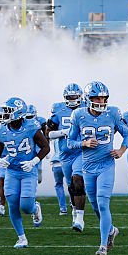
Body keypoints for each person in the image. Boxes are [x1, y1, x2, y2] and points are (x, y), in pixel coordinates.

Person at [67, 81, 128, 255]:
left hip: (106, 164)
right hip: (87, 166)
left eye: (103, 98)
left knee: (102, 203)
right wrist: (84, 143)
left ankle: (103, 245)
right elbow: (69, 142)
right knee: (95, 205)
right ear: (88, 99)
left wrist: (121, 150)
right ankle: (110, 230)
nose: (101, 101)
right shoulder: (78, 114)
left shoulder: (113, 113)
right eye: (97, 98)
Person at [0, 97, 50, 249]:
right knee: (12, 202)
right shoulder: (1, 129)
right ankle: (21, 238)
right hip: (11, 171)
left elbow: (45, 147)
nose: (4, 114)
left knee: (25, 206)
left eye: (8, 111)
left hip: (28, 171)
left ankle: (35, 208)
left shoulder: (31, 126)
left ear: (18, 113)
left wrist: (34, 161)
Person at [46, 84, 84, 222]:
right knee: (71, 185)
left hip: (81, 151)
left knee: (77, 179)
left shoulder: (87, 108)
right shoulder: (59, 110)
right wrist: (63, 132)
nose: (73, 99)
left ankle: (80, 217)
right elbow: (48, 133)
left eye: (75, 96)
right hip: (65, 153)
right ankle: (74, 208)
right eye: (70, 97)